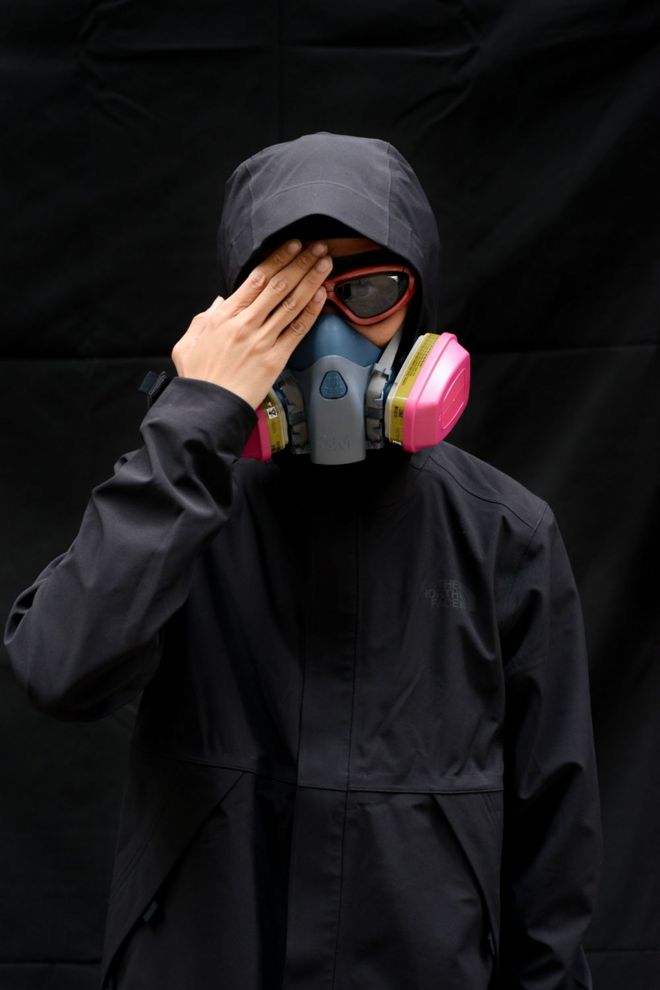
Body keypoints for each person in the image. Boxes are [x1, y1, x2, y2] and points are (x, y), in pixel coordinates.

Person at [3, 132, 601, 990]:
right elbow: (56, 669)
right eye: (282, 301)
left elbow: (557, 858)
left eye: (368, 291)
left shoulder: (506, 535)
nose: (328, 338)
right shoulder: (181, 506)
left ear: (419, 302)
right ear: (231, 321)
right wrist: (195, 419)